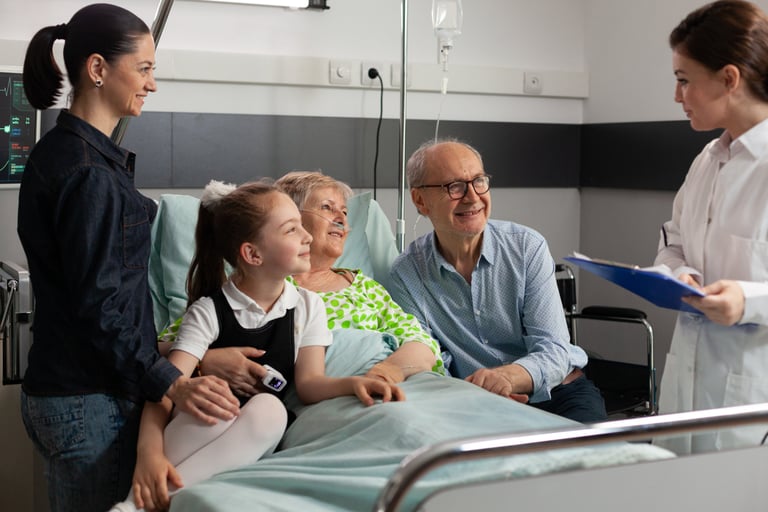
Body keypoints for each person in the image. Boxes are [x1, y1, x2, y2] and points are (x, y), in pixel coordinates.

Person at [17, 5, 239, 511]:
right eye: (143, 69)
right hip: (88, 402)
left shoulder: (59, 152)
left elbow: (91, 293)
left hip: (60, 390)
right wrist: (174, 385)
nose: (152, 84)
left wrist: (164, 352)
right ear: (97, 69)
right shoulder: (89, 173)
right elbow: (100, 305)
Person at [112, 180, 402, 512]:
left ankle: (142, 506)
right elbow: (164, 385)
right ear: (253, 253)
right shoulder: (208, 311)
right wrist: (148, 455)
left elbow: (309, 384)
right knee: (221, 408)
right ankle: (140, 505)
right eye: (292, 229)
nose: (306, 236)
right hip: (193, 430)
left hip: (254, 430)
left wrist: (357, 383)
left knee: (271, 410)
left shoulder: (308, 307)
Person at [387, 139, 608, 423]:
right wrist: (481, 391)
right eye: (454, 186)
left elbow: (554, 348)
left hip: (557, 393)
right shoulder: (407, 274)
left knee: (594, 461)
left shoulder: (526, 247)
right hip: (470, 402)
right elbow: (430, 361)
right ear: (420, 200)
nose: (472, 197)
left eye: (479, 181)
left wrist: (508, 377)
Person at [181, 171, 443, 398]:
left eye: (345, 211)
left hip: (383, 389)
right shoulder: (251, 291)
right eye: (327, 208)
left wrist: (386, 373)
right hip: (315, 404)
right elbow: (172, 346)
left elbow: (421, 344)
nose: (341, 218)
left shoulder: (365, 288)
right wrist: (207, 360)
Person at [653, 0, 768, 454]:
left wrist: (748, 300)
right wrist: (679, 276)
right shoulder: (708, 160)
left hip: (752, 398)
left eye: (684, 81)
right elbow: (673, 241)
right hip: (687, 384)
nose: (677, 96)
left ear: (729, 78)